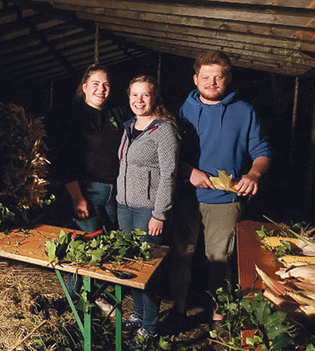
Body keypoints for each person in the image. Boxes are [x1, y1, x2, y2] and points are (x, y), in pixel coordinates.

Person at [169, 51, 271, 329]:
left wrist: (253, 173)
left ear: (227, 79)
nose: (211, 82)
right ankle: (178, 311)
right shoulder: (184, 108)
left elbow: (261, 151)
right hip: (187, 196)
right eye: (205, 77)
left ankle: (218, 317)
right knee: (182, 255)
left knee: (219, 259)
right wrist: (189, 172)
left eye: (218, 77)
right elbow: (169, 151)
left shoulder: (244, 110)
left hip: (225, 199)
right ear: (195, 78)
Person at [54, 64, 132, 296]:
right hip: (88, 191)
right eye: (96, 84)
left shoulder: (118, 113)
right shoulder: (72, 117)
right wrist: (78, 197)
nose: (101, 89)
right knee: (86, 247)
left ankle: (97, 297)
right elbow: (65, 159)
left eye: (106, 84)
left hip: (118, 191)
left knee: (111, 246)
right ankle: (74, 302)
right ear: (85, 87)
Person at [116, 75, 179, 343]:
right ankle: (139, 314)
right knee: (131, 265)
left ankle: (150, 328)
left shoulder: (164, 130)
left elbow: (169, 175)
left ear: (154, 98)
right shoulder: (129, 125)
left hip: (148, 211)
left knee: (148, 269)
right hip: (124, 206)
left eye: (145, 95)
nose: (139, 100)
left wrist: (159, 213)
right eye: (134, 95)